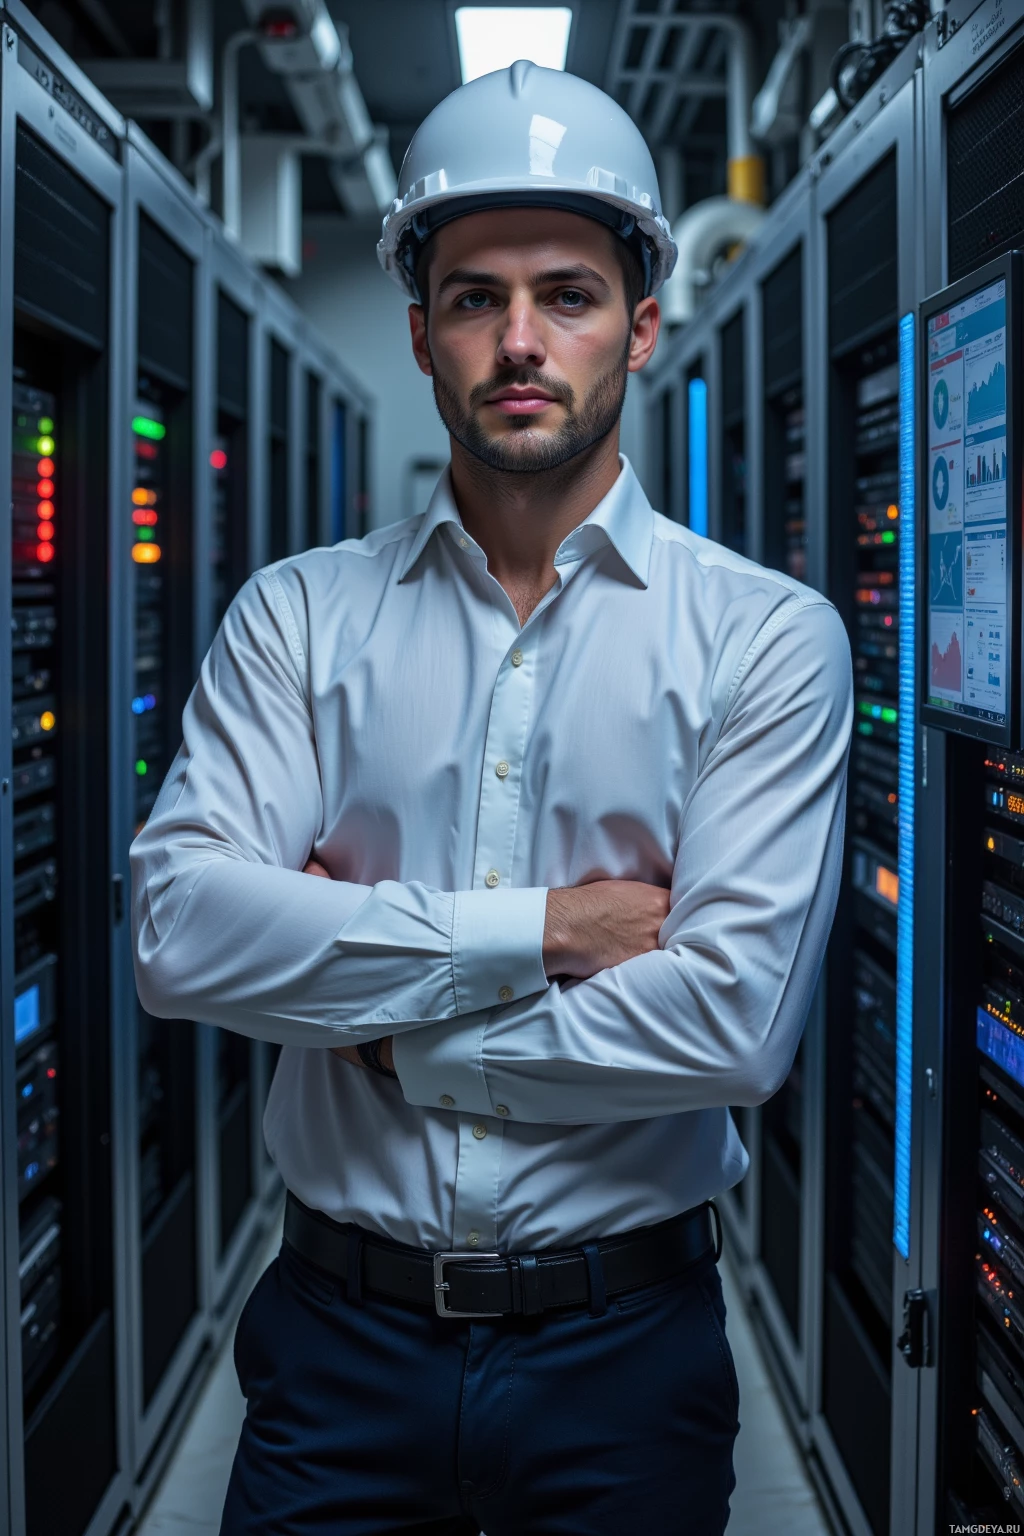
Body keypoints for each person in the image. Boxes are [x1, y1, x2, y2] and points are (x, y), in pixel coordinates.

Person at [130, 60, 852, 1536]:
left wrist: (380, 1020)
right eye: (475, 298)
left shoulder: (765, 640)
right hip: (336, 1349)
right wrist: (548, 930)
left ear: (643, 325)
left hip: (625, 1363)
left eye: (569, 294)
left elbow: (732, 1023)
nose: (521, 340)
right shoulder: (300, 620)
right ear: (420, 332)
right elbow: (183, 930)